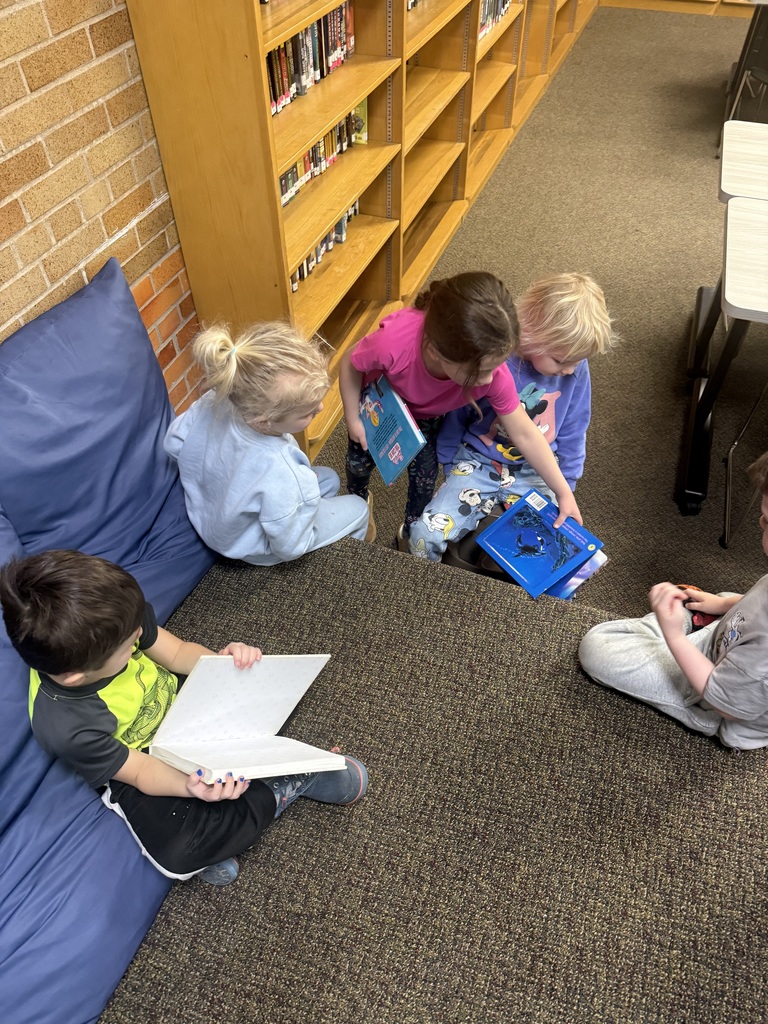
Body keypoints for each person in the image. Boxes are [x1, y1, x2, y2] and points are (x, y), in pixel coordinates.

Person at [0, 549, 369, 885]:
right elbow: (141, 772)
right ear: (76, 677)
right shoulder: (66, 726)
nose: (139, 638)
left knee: (261, 695)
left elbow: (177, 654)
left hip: (189, 711)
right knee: (177, 857)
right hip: (142, 761)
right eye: (129, 647)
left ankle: (280, 781)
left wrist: (220, 666)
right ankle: (282, 782)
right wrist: (191, 786)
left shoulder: (119, 615)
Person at [339, 272, 582, 551]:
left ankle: (408, 531)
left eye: (495, 367)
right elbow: (350, 362)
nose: (490, 380)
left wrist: (563, 492)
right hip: (379, 407)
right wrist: (352, 417)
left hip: (426, 420)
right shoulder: (393, 343)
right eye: (479, 372)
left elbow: (526, 433)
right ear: (436, 352)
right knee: (357, 465)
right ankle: (357, 505)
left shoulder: (493, 374)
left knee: (424, 481)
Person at [408, 272, 616, 560]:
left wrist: (566, 487)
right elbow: (459, 405)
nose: (569, 370)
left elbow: (574, 429)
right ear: (534, 333)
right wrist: (447, 459)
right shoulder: (494, 358)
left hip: (537, 469)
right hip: (477, 460)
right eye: (561, 361)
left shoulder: (575, 370)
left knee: (562, 553)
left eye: (577, 363)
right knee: (423, 536)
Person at [578, 452, 768, 750]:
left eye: (767, 521)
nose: (759, 522)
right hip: (731, 645)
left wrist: (674, 637)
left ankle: (673, 628)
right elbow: (757, 599)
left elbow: (727, 705)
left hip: (716, 702)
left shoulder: (762, 660)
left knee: (598, 648)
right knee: (721, 598)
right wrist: (720, 607)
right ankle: (695, 621)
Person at [164, 321, 373, 566]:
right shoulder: (282, 468)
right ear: (264, 422)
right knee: (358, 508)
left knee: (328, 479)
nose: (321, 408)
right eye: (308, 413)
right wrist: (295, 498)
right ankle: (337, 566)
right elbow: (290, 547)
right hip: (248, 547)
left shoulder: (218, 397)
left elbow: (174, 443)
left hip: (209, 517)